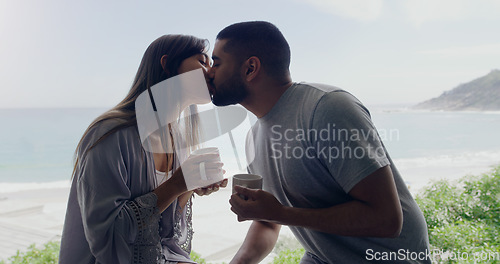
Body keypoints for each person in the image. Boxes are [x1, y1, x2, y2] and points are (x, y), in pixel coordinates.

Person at [208, 21, 431, 263]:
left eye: (216, 63)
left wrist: (281, 213)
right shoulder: (253, 139)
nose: (209, 73)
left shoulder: (327, 108)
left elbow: (386, 219)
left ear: (251, 68)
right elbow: (269, 222)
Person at [59, 34, 228, 264]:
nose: (211, 72)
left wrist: (190, 185)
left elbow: (165, 233)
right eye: (202, 61)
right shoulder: (110, 135)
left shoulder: (176, 136)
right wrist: (178, 183)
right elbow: (107, 238)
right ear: (167, 64)